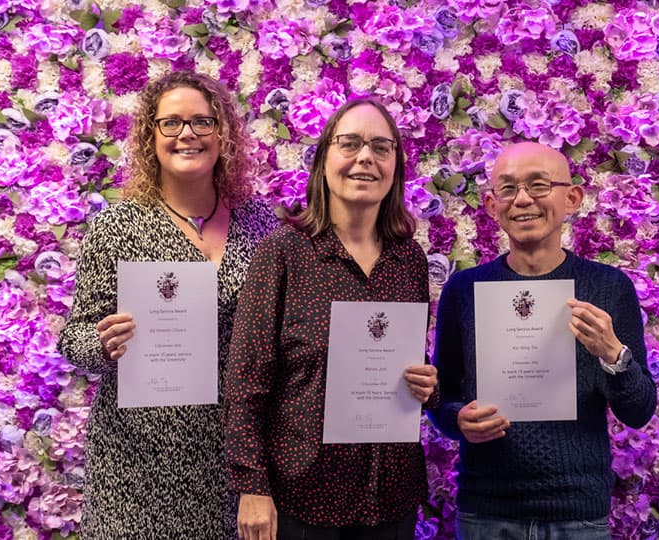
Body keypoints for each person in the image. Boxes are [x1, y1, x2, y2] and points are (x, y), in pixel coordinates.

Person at [57, 71, 279, 538]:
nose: (187, 135)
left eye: (202, 121)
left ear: (222, 134)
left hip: (232, 459)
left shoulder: (260, 223)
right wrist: (102, 342)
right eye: (170, 123)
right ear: (149, 136)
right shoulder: (116, 227)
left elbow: (277, 329)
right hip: (137, 463)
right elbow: (74, 338)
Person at [224, 97, 438, 540]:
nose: (366, 157)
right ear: (324, 160)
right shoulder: (283, 254)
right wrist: (252, 487)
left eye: (382, 147)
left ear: (396, 165)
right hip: (303, 496)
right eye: (351, 143)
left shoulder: (410, 260)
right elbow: (247, 379)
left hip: (388, 494)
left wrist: (428, 386)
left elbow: (408, 369)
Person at [428, 141, 657, 539]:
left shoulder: (608, 287)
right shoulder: (464, 290)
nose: (522, 200)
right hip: (486, 510)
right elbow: (440, 398)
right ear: (490, 205)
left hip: (578, 513)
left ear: (571, 199)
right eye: (508, 189)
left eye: (538, 185)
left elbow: (639, 411)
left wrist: (613, 355)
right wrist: (456, 420)